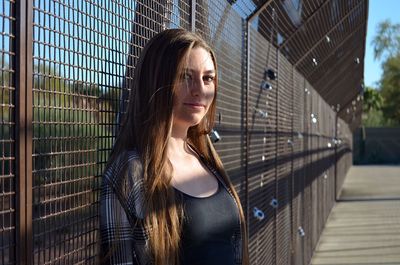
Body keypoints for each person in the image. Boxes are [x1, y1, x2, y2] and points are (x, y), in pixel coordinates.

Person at [100, 28, 249, 265]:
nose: (200, 90)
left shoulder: (206, 159)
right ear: (156, 81)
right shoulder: (131, 172)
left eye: (208, 78)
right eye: (185, 76)